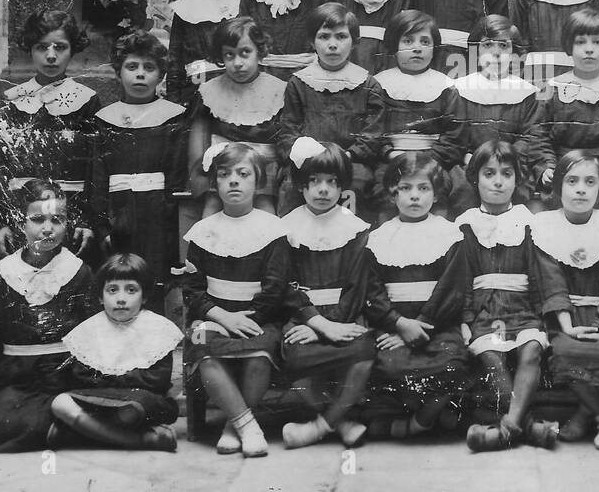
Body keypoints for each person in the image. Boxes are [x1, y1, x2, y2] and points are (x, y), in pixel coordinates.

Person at [183, 143, 300, 458]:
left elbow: (276, 288)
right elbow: (192, 288)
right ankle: (247, 424)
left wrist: (249, 320)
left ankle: (233, 425)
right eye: (225, 175)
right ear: (215, 183)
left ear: (258, 182)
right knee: (202, 347)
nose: (233, 180)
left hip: (259, 318)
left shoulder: (273, 231)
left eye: (243, 174)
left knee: (259, 354)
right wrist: (222, 317)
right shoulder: (202, 231)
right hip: (214, 316)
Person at [442, 141, 560, 450]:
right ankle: (528, 425)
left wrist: (543, 316)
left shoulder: (527, 221)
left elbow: (538, 274)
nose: (498, 181)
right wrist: (466, 319)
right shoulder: (466, 225)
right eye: (489, 173)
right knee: (492, 359)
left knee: (532, 348)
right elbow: (462, 280)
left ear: (517, 180)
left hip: (521, 308)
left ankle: (504, 430)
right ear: (475, 179)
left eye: (506, 174)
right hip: (484, 310)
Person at [0, 179, 96, 452]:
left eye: (58, 219)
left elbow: (92, 338)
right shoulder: (2, 275)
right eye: (38, 219)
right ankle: (73, 429)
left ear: (67, 223)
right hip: (18, 380)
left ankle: (64, 424)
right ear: (21, 222)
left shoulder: (79, 272)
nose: (48, 228)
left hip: (66, 377)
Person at [276, 140, 377, 449]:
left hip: (344, 317)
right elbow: (285, 286)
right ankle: (341, 420)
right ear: (301, 186)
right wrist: (314, 323)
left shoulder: (356, 230)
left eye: (331, 182)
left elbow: (357, 287)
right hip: (302, 320)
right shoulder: (286, 229)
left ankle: (320, 427)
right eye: (314, 182)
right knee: (297, 358)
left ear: (342, 186)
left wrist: (335, 324)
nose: (323, 190)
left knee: (363, 353)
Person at [363, 153, 470, 437]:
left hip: (438, 326)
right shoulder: (378, 238)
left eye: (423, 189)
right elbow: (372, 291)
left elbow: (451, 290)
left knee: (453, 363)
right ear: (392, 193)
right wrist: (399, 325)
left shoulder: (449, 235)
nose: (414, 196)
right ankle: (434, 412)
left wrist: (419, 324)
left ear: (435, 196)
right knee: (388, 365)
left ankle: (419, 422)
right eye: (405, 188)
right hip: (395, 326)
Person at [532, 152, 599, 451]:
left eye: (590, 182)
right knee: (565, 351)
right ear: (558, 185)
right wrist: (567, 325)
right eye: (572, 181)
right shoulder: (545, 226)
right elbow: (552, 281)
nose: (581, 189)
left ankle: (585, 413)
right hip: (566, 317)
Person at [0, 10, 100, 260]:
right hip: (22, 215)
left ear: (72, 49)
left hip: (71, 215)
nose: (51, 55)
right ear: (30, 49)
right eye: (41, 47)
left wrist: (88, 221)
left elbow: (96, 168)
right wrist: (0, 222)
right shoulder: (13, 102)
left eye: (60, 47)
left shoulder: (86, 101)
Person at [89, 30, 187, 314]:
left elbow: (176, 176)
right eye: (132, 67)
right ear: (118, 73)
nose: (140, 75)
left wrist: (171, 229)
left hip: (157, 215)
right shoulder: (105, 120)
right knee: (119, 281)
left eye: (149, 67)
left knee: (153, 283)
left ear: (161, 75)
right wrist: (101, 227)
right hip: (118, 213)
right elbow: (96, 178)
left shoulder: (173, 117)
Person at [50, 253, 183, 451]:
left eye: (131, 290)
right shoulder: (90, 328)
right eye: (112, 290)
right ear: (100, 297)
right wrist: (119, 378)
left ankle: (82, 433)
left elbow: (157, 378)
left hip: (139, 398)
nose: (121, 299)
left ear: (144, 295)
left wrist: (110, 376)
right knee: (60, 403)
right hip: (99, 398)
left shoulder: (157, 328)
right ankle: (141, 440)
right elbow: (80, 375)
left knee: (131, 410)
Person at [277, 2, 385, 215]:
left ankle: (351, 241)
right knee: (291, 184)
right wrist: (308, 155)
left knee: (359, 182)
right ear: (312, 41)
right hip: (308, 162)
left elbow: (372, 135)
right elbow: (288, 131)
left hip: (350, 162)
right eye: (324, 36)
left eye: (341, 36)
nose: (332, 45)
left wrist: (347, 155)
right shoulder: (299, 83)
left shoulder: (368, 84)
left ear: (354, 42)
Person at [523, 8, 599, 209]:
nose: (589, 49)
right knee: (562, 197)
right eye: (581, 42)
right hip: (562, 164)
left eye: (597, 42)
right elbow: (539, 135)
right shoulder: (553, 88)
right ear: (569, 47)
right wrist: (547, 166)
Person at [187, 17, 287, 217]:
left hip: (263, 172)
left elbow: (284, 136)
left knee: (265, 209)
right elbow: (197, 139)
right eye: (229, 55)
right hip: (223, 168)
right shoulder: (209, 91)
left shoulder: (278, 90)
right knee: (211, 210)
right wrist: (200, 172)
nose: (238, 63)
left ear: (259, 52)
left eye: (245, 53)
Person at [371, 10, 462, 216]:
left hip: (433, 159)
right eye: (408, 41)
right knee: (384, 192)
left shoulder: (447, 86)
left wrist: (428, 158)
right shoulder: (379, 85)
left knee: (442, 192)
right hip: (391, 158)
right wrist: (389, 153)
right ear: (395, 45)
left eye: (424, 42)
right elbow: (372, 130)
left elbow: (454, 136)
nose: (417, 49)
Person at [447, 15, 539, 215]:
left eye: (504, 46)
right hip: (469, 164)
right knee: (462, 190)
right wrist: (474, 160)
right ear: (476, 51)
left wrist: (506, 161)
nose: (496, 53)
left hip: (511, 164)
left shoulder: (527, 92)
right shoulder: (460, 89)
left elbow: (530, 137)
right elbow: (455, 135)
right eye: (487, 45)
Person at [167, 0, 249, 104]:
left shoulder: (246, 2)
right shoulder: (186, 7)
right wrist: (174, 104)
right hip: (196, 92)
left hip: (238, 90)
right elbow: (175, 62)